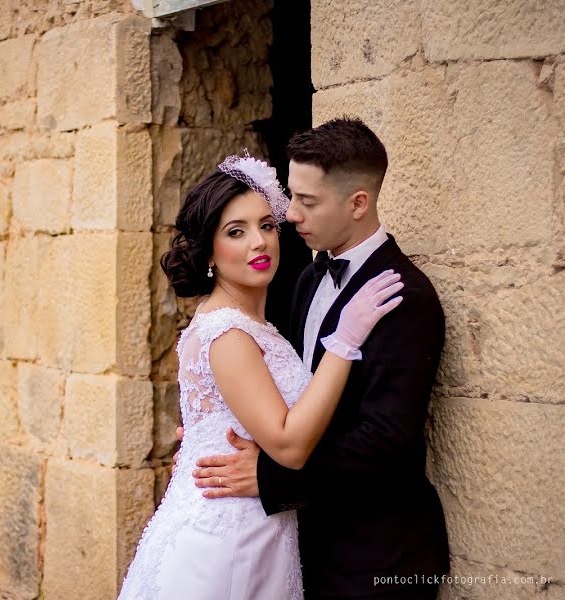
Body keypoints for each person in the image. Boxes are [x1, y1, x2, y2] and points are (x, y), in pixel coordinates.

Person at [117, 150, 405, 599]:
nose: (260, 242)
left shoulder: (260, 324)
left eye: (267, 225)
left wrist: (199, 441)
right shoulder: (227, 332)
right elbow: (288, 446)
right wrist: (344, 341)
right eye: (237, 231)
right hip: (228, 544)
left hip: (265, 530)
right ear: (210, 250)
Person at [186, 118, 450, 599]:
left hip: (376, 557)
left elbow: (385, 440)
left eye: (307, 202)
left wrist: (269, 477)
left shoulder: (403, 296)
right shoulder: (308, 280)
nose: (289, 217)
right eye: (292, 197)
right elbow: (293, 393)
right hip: (307, 546)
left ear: (358, 203)